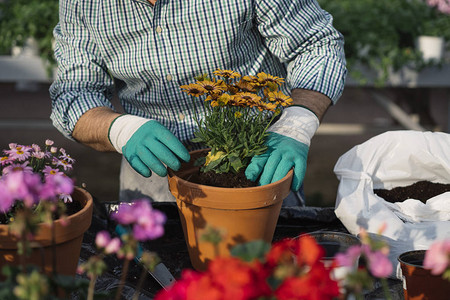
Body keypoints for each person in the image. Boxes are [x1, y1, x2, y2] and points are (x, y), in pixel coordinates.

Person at [50, 0, 347, 209]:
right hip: (154, 166)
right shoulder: (83, 4)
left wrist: (296, 124)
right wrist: (120, 129)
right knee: (155, 279)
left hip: (259, 155)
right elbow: (74, 92)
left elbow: (316, 45)